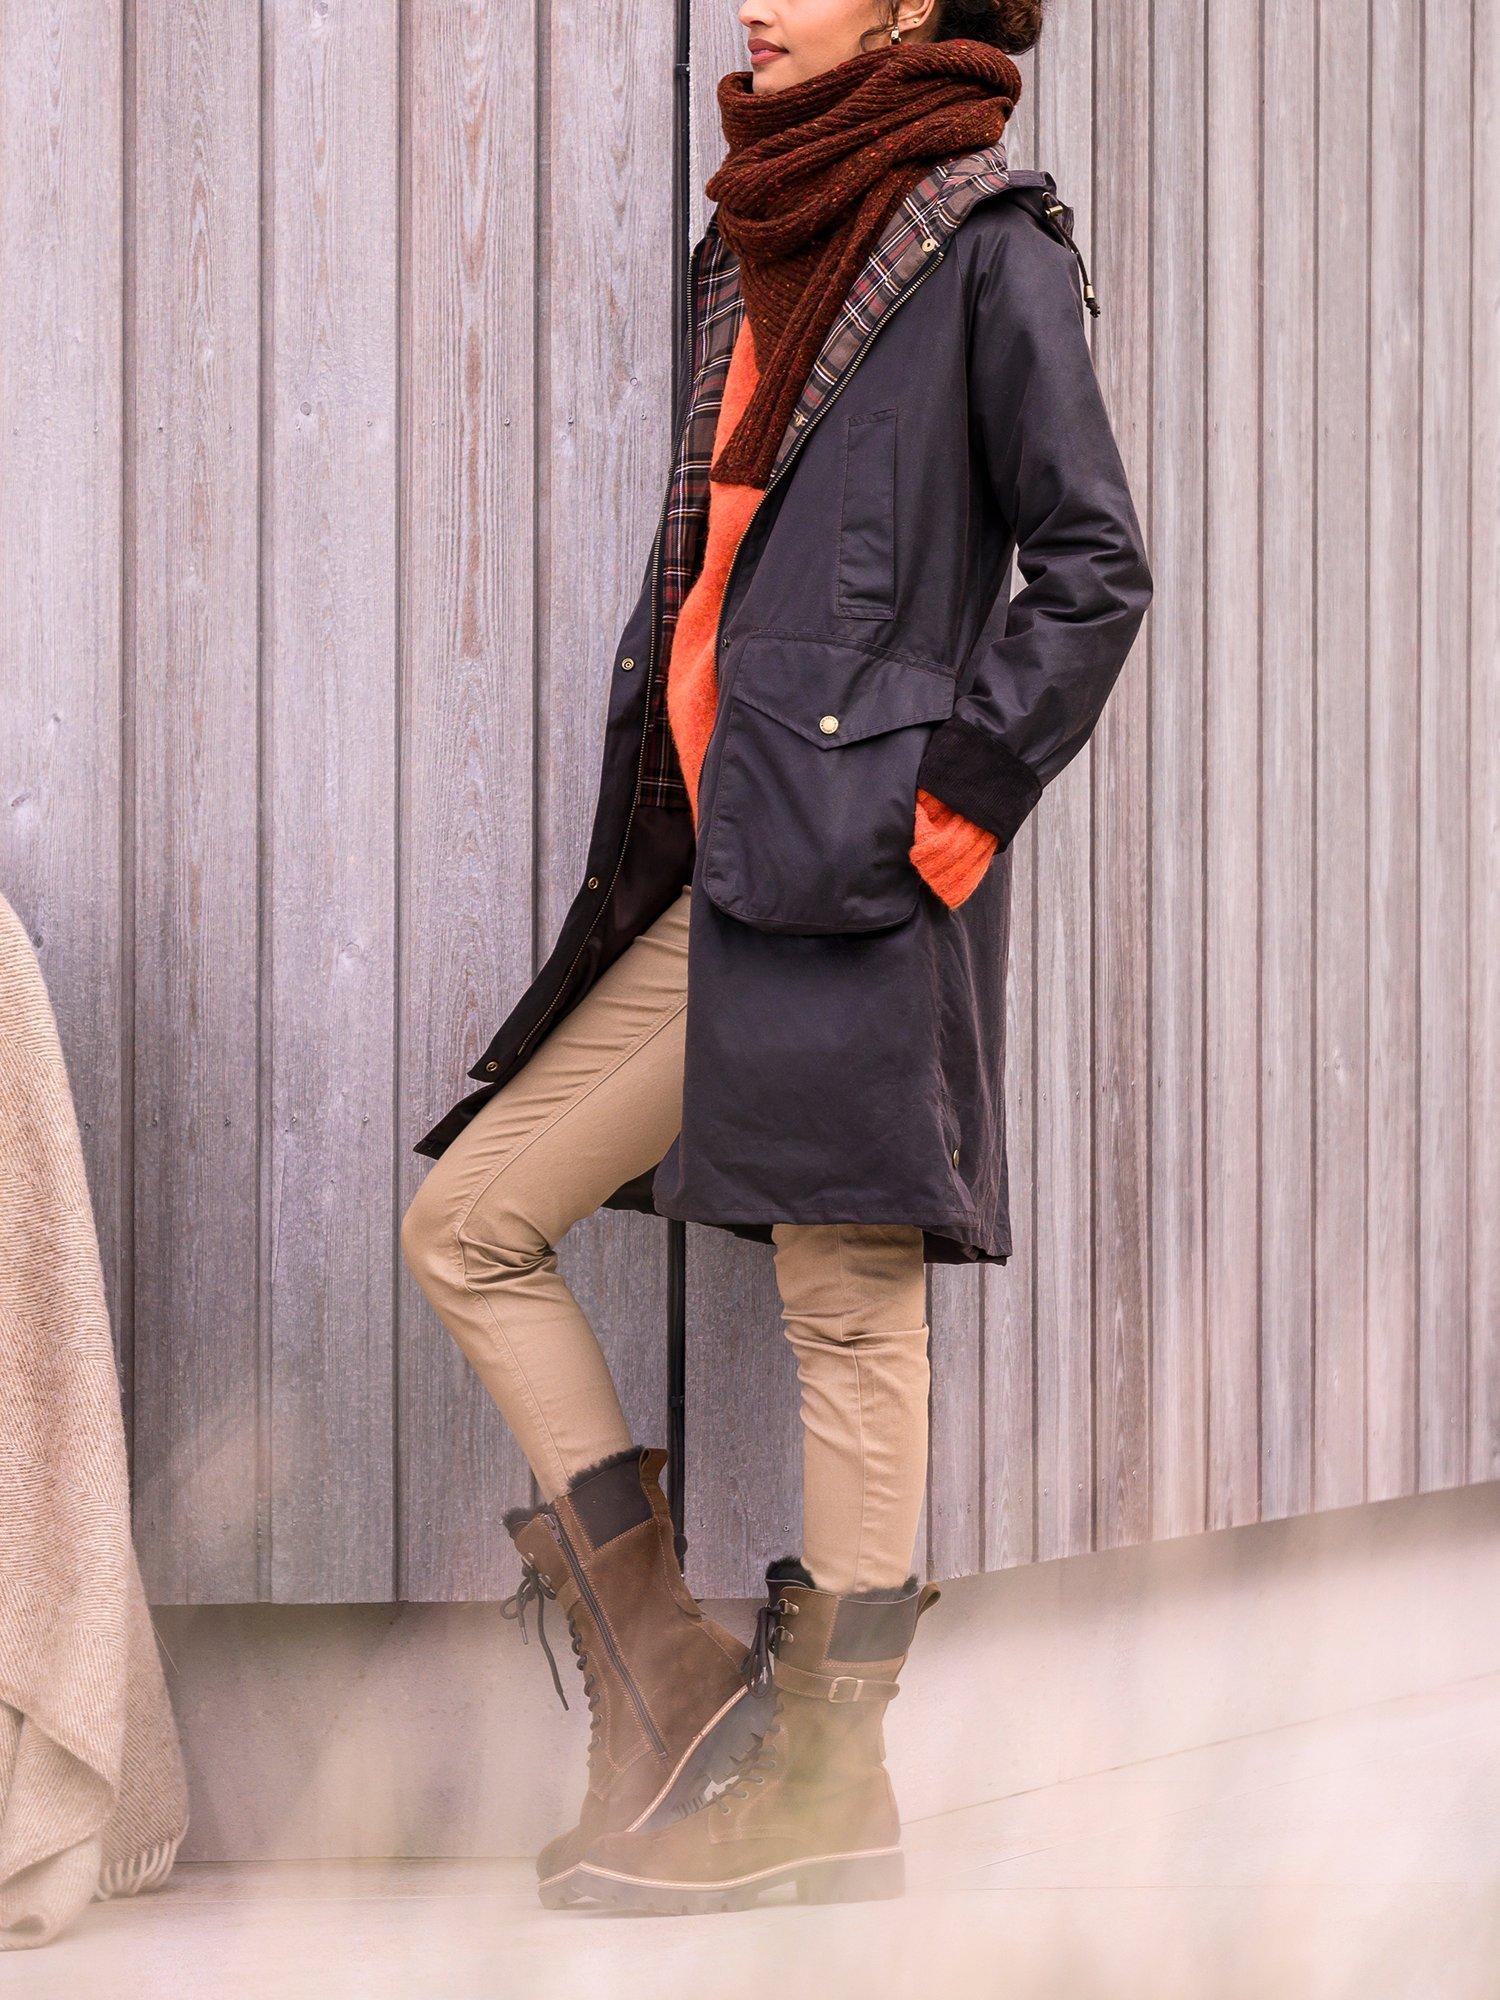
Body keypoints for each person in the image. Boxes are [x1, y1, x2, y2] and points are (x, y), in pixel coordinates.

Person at [401, 0, 1151, 1917]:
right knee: (471, 1220)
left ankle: (827, 1782)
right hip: (722, 861)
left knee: (847, 1298)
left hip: (866, 860)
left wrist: (948, 811)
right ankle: (666, 1673)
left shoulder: (985, 242)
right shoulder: (760, 232)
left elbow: (1092, 564)